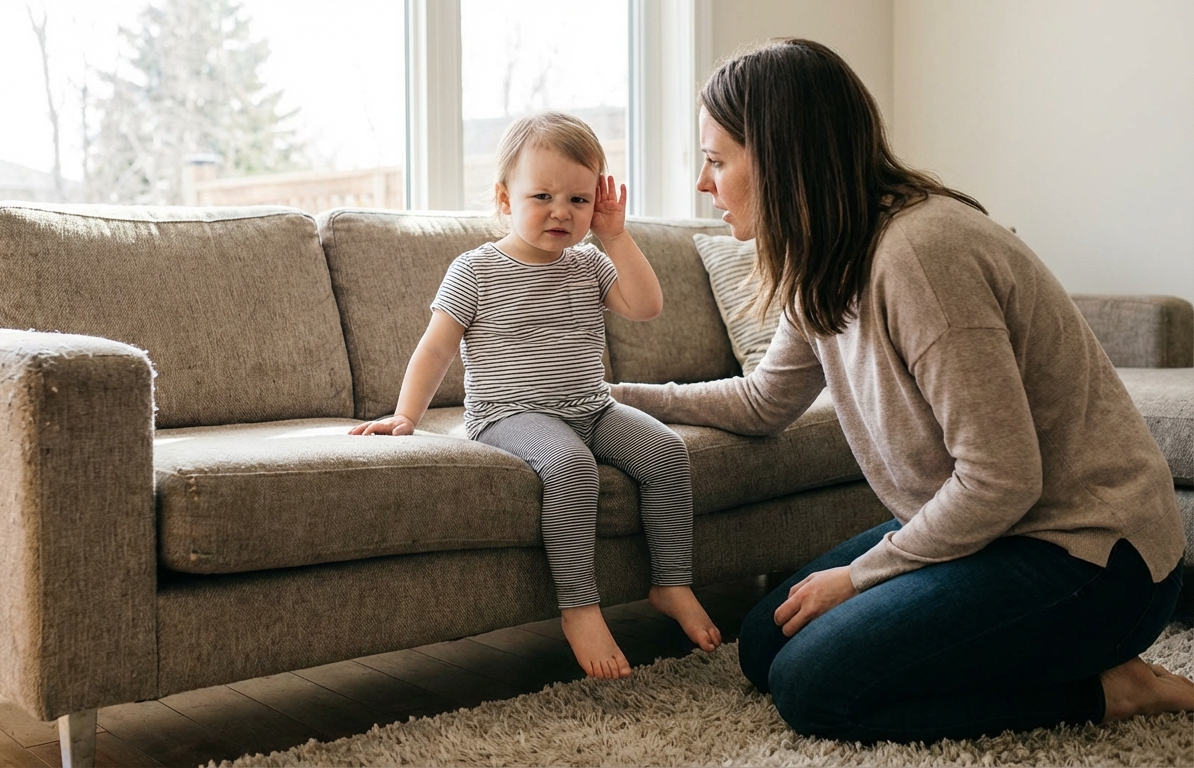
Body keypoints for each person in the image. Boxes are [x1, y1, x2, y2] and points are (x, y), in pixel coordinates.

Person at [612, 38, 1194, 741]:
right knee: (767, 644)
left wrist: (859, 577)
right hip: (990, 535)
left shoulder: (921, 253)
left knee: (814, 689)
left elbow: (1002, 477)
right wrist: (615, 395)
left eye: (716, 161)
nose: (705, 186)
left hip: (1089, 556)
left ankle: (1109, 690)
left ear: (779, 157)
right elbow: (764, 402)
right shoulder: (824, 259)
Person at [350, 112, 722, 679]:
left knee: (668, 450)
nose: (560, 211)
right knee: (571, 466)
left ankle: (671, 582)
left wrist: (616, 236)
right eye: (542, 195)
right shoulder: (475, 270)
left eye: (578, 199)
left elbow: (647, 306)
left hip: (591, 407)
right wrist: (406, 416)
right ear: (504, 198)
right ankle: (580, 607)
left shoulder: (592, 264)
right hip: (509, 416)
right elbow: (435, 350)